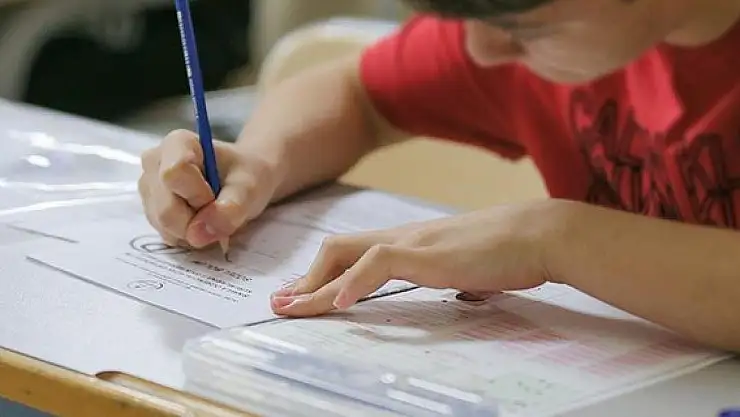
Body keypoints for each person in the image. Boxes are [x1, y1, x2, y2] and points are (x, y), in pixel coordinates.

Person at [137, 0, 740, 353]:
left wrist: (554, 239)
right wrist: (261, 163)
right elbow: (356, 95)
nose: (481, 52)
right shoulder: (545, 23)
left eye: (525, 28)